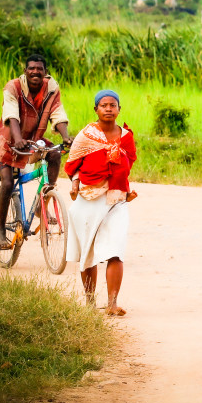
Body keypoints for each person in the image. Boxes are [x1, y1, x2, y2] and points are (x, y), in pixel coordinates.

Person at [65, 90, 137, 317]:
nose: (108, 108)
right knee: (88, 253)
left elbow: (129, 161)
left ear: (119, 109)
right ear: (96, 109)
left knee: (115, 250)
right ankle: (89, 302)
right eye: (103, 105)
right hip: (88, 199)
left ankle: (113, 303)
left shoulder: (126, 137)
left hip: (116, 200)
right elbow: (72, 164)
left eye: (112, 105)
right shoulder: (86, 135)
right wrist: (76, 182)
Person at [0, 54, 71, 251]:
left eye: (39, 69)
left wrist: (66, 137)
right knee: (8, 183)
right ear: (25, 71)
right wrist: (17, 139)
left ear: (45, 73)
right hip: (9, 142)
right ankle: (0, 229)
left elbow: (57, 113)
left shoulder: (51, 89)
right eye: (31, 68)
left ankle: (41, 202)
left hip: (34, 140)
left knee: (53, 154)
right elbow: (11, 115)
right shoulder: (13, 87)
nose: (35, 72)